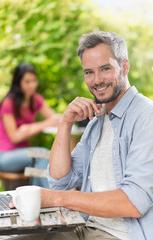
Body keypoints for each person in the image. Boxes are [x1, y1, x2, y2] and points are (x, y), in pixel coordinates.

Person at [9, 30, 153, 240]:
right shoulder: (98, 120)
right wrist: (65, 123)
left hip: (123, 235)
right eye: (89, 72)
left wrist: (57, 199)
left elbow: (134, 202)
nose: (97, 80)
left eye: (105, 69)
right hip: (86, 227)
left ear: (124, 66)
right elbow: (60, 181)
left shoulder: (146, 116)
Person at [0, 62, 59, 188]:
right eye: (27, 82)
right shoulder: (8, 103)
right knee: (43, 153)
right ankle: (53, 199)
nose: (32, 85)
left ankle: (40, 200)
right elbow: (15, 137)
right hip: (5, 157)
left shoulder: (35, 99)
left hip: (25, 157)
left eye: (34, 81)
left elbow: (54, 118)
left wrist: (28, 129)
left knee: (40, 168)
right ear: (18, 83)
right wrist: (43, 124)